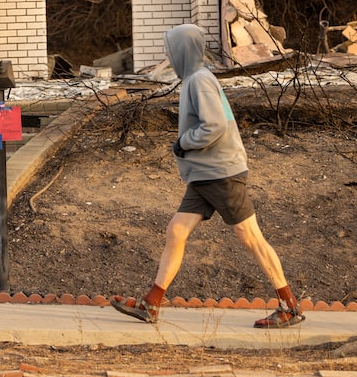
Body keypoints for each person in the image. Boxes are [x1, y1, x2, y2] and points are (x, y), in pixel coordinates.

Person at [110, 23, 304, 329]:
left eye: (171, 51)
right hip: (205, 174)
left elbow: (215, 126)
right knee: (176, 231)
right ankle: (152, 304)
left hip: (220, 173)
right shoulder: (196, 80)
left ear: (183, 51)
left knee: (250, 238)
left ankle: (288, 305)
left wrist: (183, 142)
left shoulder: (199, 81)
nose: (169, 57)